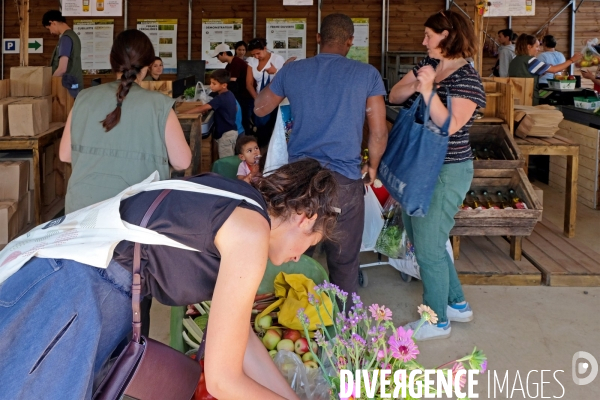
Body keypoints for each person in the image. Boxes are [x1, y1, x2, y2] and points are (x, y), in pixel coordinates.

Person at [0, 158, 338, 400]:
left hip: (71, 283)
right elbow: (223, 381)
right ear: (305, 218)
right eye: (311, 244)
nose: (299, 256)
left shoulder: (239, 199)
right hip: (76, 299)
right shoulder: (252, 232)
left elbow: (241, 338)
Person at [254, 13, 388, 308]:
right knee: (344, 265)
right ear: (350, 42)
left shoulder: (293, 72)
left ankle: (286, 316)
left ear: (317, 39)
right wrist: (373, 167)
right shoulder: (366, 74)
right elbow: (378, 133)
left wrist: (282, 75)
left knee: (291, 256)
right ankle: (344, 334)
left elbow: (260, 108)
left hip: (299, 182)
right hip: (345, 184)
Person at [388, 9, 487, 340]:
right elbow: (395, 96)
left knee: (429, 248)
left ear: (447, 35)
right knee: (422, 242)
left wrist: (429, 91)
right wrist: (419, 80)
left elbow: (451, 125)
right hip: (418, 166)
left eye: (429, 35)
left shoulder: (467, 79)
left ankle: (436, 321)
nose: (423, 41)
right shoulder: (426, 67)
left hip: (446, 172)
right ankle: (456, 304)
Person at [60, 29, 191, 214]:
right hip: (139, 214)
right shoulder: (160, 105)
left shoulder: (83, 98)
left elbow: (65, 155)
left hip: (82, 212)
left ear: (111, 59)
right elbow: (182, 162)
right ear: (148, 64)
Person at [508, 34, 581, 105]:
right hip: (528, 98)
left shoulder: (515, 60)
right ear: (529, 47)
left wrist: (543, 72)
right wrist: (572, 60)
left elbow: (524, 74)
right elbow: (554, 70)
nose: (539, 49)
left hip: (516, 97)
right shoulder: (531, 60)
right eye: (536, 46)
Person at [187, 69, 238, 158]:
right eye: (210, 83)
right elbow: (234, 108)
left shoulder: (220, 98)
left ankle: (226, 172)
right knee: (228, 158)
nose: (211, 86)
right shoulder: (229, 94)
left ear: (224, 85)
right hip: (231, 132)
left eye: (214, 84)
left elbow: (201, 108)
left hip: (226, 134)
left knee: (225, 161)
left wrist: (181, 114)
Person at [246, 38, 286, 147]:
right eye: (253, 54)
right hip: (260, 99)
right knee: (262, 130)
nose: (256, 57)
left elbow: (285, 79)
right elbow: (249, 84)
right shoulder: (251, 61)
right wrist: (257, 99)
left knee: (274, 128)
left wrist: (275, 72)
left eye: (258, 53)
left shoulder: (277, 59)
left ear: (265, 48)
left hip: (276, 100)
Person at [212, 43, 252, 133]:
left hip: (245, 96)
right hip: (239, 95)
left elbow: (231, 83)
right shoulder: (229, 65)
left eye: (218, 56)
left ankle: (246, 140)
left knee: (244, 119)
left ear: (224, 53)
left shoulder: (236, 63)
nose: (218, 59)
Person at [42, 10, 84, 96]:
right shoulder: (73, 36)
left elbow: (62, 68)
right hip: (74, 86)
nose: (51, 32)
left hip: (67, 89)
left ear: (52, 23)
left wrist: (49, 84)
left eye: (49, 28)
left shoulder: (65, 38)